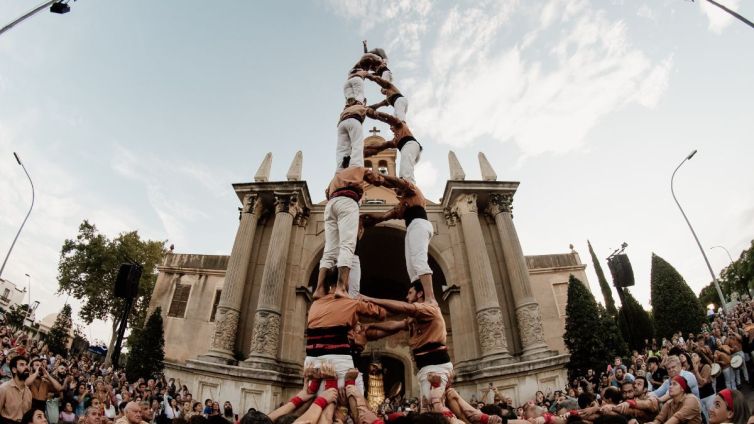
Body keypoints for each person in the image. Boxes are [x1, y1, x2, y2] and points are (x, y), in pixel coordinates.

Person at [360, 282, 451, 411]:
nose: (407, 297)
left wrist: (370, 299)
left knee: (434, 410)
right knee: (429, 410)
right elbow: (395, 325)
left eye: (410, 293)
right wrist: (372, 325)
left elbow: (404, 308)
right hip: (427, 367)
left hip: (435, 366)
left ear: (419, 294)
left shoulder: (428, 309)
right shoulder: (414, 319)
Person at [305, 268, 385, 393]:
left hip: (311, 363)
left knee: (318, 404)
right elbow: (381, 313)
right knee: (349, 402)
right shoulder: (350, 303)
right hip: (338, 361)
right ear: (344, 281)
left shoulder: (314, 305)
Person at [314, 166, 386, 299]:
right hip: (347, 202)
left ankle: (319, 289)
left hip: (331, 205)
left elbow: (327, 192)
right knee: (347, 246)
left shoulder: (337, 176)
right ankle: (341, 287)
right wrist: (382, 179)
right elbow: (374, 179)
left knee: (329, 250)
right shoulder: (358, 169)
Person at [362, 111, 421, 184]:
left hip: (410, 144)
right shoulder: (396, 138)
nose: (391, 128)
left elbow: (389, 118)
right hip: (411, 149)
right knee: (403, 170)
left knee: (405, 171)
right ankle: (405, 184)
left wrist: (377, 115)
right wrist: (365, 147)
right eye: (390, 127)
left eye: (391, 126)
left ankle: (409, 184)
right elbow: (382, 146)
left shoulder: (400, 125)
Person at [335, 100, 380, 170]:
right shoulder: (361, 106)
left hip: (342, 124)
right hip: (354, 120)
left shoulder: (347, 108)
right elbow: (372, 110)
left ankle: (340, 168)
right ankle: (356, 166)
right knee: (357, 144)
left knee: (342, 148)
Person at [0, 355, 33, 424]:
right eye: (22, 365)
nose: (26, 367)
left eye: (26, 365)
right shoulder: (4, 388)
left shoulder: (28, 392)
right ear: (14, 370)